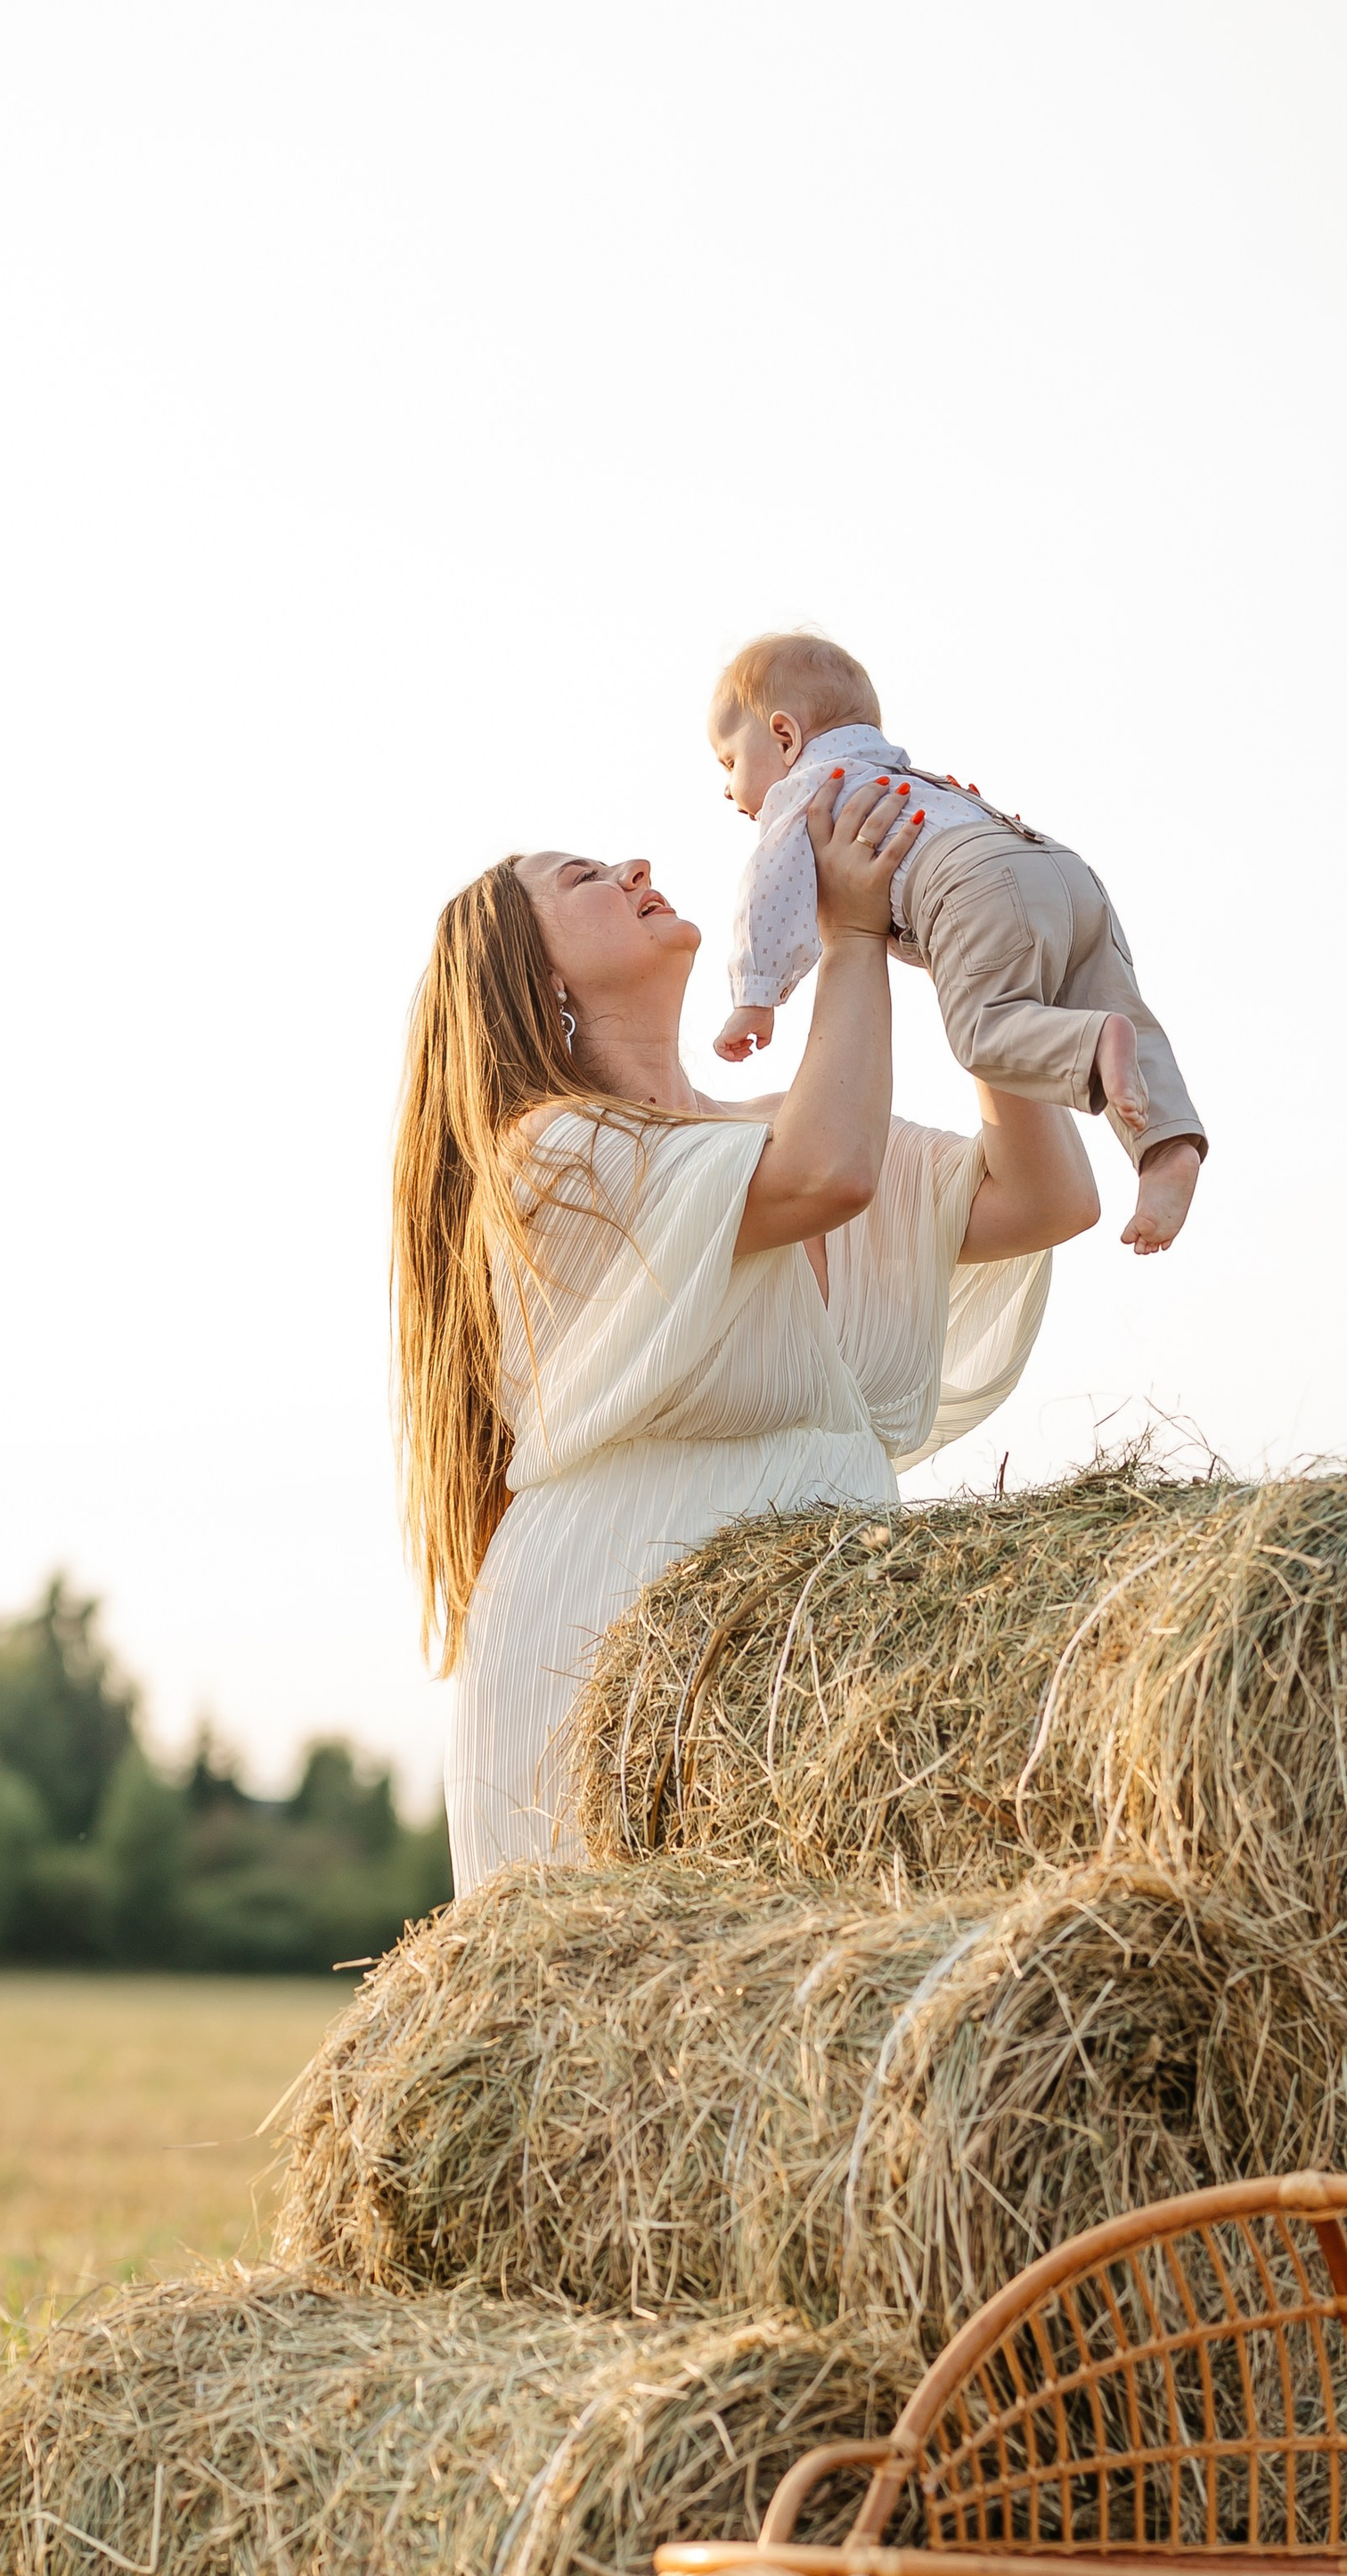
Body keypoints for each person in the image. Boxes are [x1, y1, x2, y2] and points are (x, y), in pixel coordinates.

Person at [396, 770, 1100, 1890]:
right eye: (582, 877)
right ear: (536, 979)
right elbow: (827, 1176)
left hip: (816, 1660)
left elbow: (1044, 1197)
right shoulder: (551, 1159)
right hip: (615, 1656)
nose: (631, 865)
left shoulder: (775, 1125)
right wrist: (854, 934)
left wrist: (973, 949)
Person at [708, 630, 1207, 1257]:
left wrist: (757, 996)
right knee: (1116, 998)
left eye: (728, 762)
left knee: (985, 1031)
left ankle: (1090, 1040)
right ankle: (1166, 1148)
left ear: (784, 737)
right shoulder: (902, 773)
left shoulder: (808, 788)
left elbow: (770, 891)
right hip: (1052, 862)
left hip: (969, 882)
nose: (727, 790)